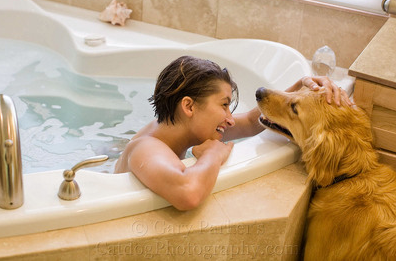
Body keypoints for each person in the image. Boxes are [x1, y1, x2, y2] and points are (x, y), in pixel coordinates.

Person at [114, 55, 351, 210]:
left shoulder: (184, 127)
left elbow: (251, 121)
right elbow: (188, 193)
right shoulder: (147, 147)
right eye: (224, 105)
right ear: (189, 106)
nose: (229, 118)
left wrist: (301, 85)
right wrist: (212, 155)